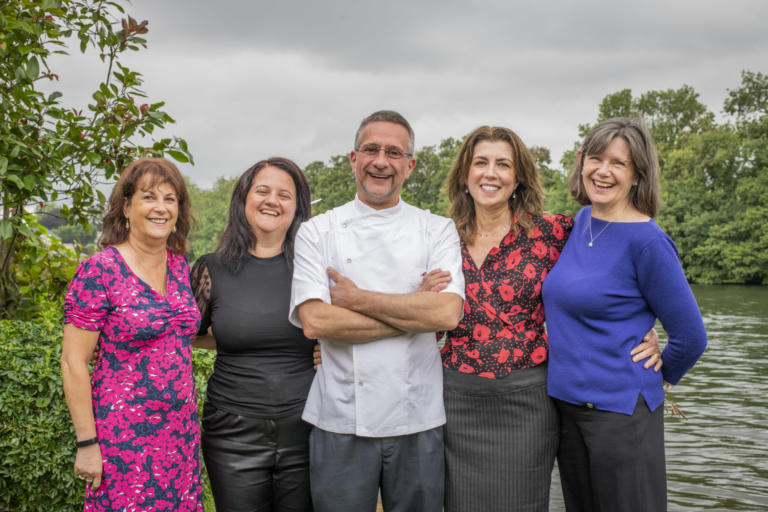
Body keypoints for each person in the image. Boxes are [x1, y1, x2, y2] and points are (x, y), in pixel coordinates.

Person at [434, 126, 661, 512]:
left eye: (503, 164)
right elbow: (419, 312)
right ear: (464, 175)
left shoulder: (554, 233)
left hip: (527, 400)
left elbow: (603, 278)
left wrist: (635, 329)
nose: (491, 173)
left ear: (518, 176)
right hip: (453, 399)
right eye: (481, 163)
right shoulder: (437, 237)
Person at [289, 110, 465, 512]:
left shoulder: (436, 229)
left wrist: (357, 299)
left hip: (417, 417)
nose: (381, 161)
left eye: (394, 152)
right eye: (371, 149)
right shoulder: (318, 231)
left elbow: (446, 315)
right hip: (340, 419)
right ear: (353, 159)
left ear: (410, 165)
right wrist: (413, 308)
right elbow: (317, 321)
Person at [542, 117, 707, 511]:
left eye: (618, 163)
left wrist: (659, 371)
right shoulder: (582, 222)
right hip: (567, 408)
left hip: (620, 416)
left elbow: (691, 337)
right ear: (581, 161)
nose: (603, 171)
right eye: (596, 158)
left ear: (636, 175)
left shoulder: (649, 243)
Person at [61, 157, 202, 510]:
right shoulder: (100, 270)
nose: (161, 208)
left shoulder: (178, 265)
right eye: (149, 197)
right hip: (123, 438)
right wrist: (86, 443)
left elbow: (180, 334)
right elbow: (73, 362)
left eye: (170, 199)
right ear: (126, 207)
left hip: (180, 435)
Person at [189, 157, 314, 511]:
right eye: (262, 191)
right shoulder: (210, 269)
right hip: (232, 435)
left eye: (284, 195)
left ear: (297, 208)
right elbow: (183, 336)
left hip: (308, 430)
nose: (272, 200)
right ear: (243, 199)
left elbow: (340, 328)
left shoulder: (315, 270)